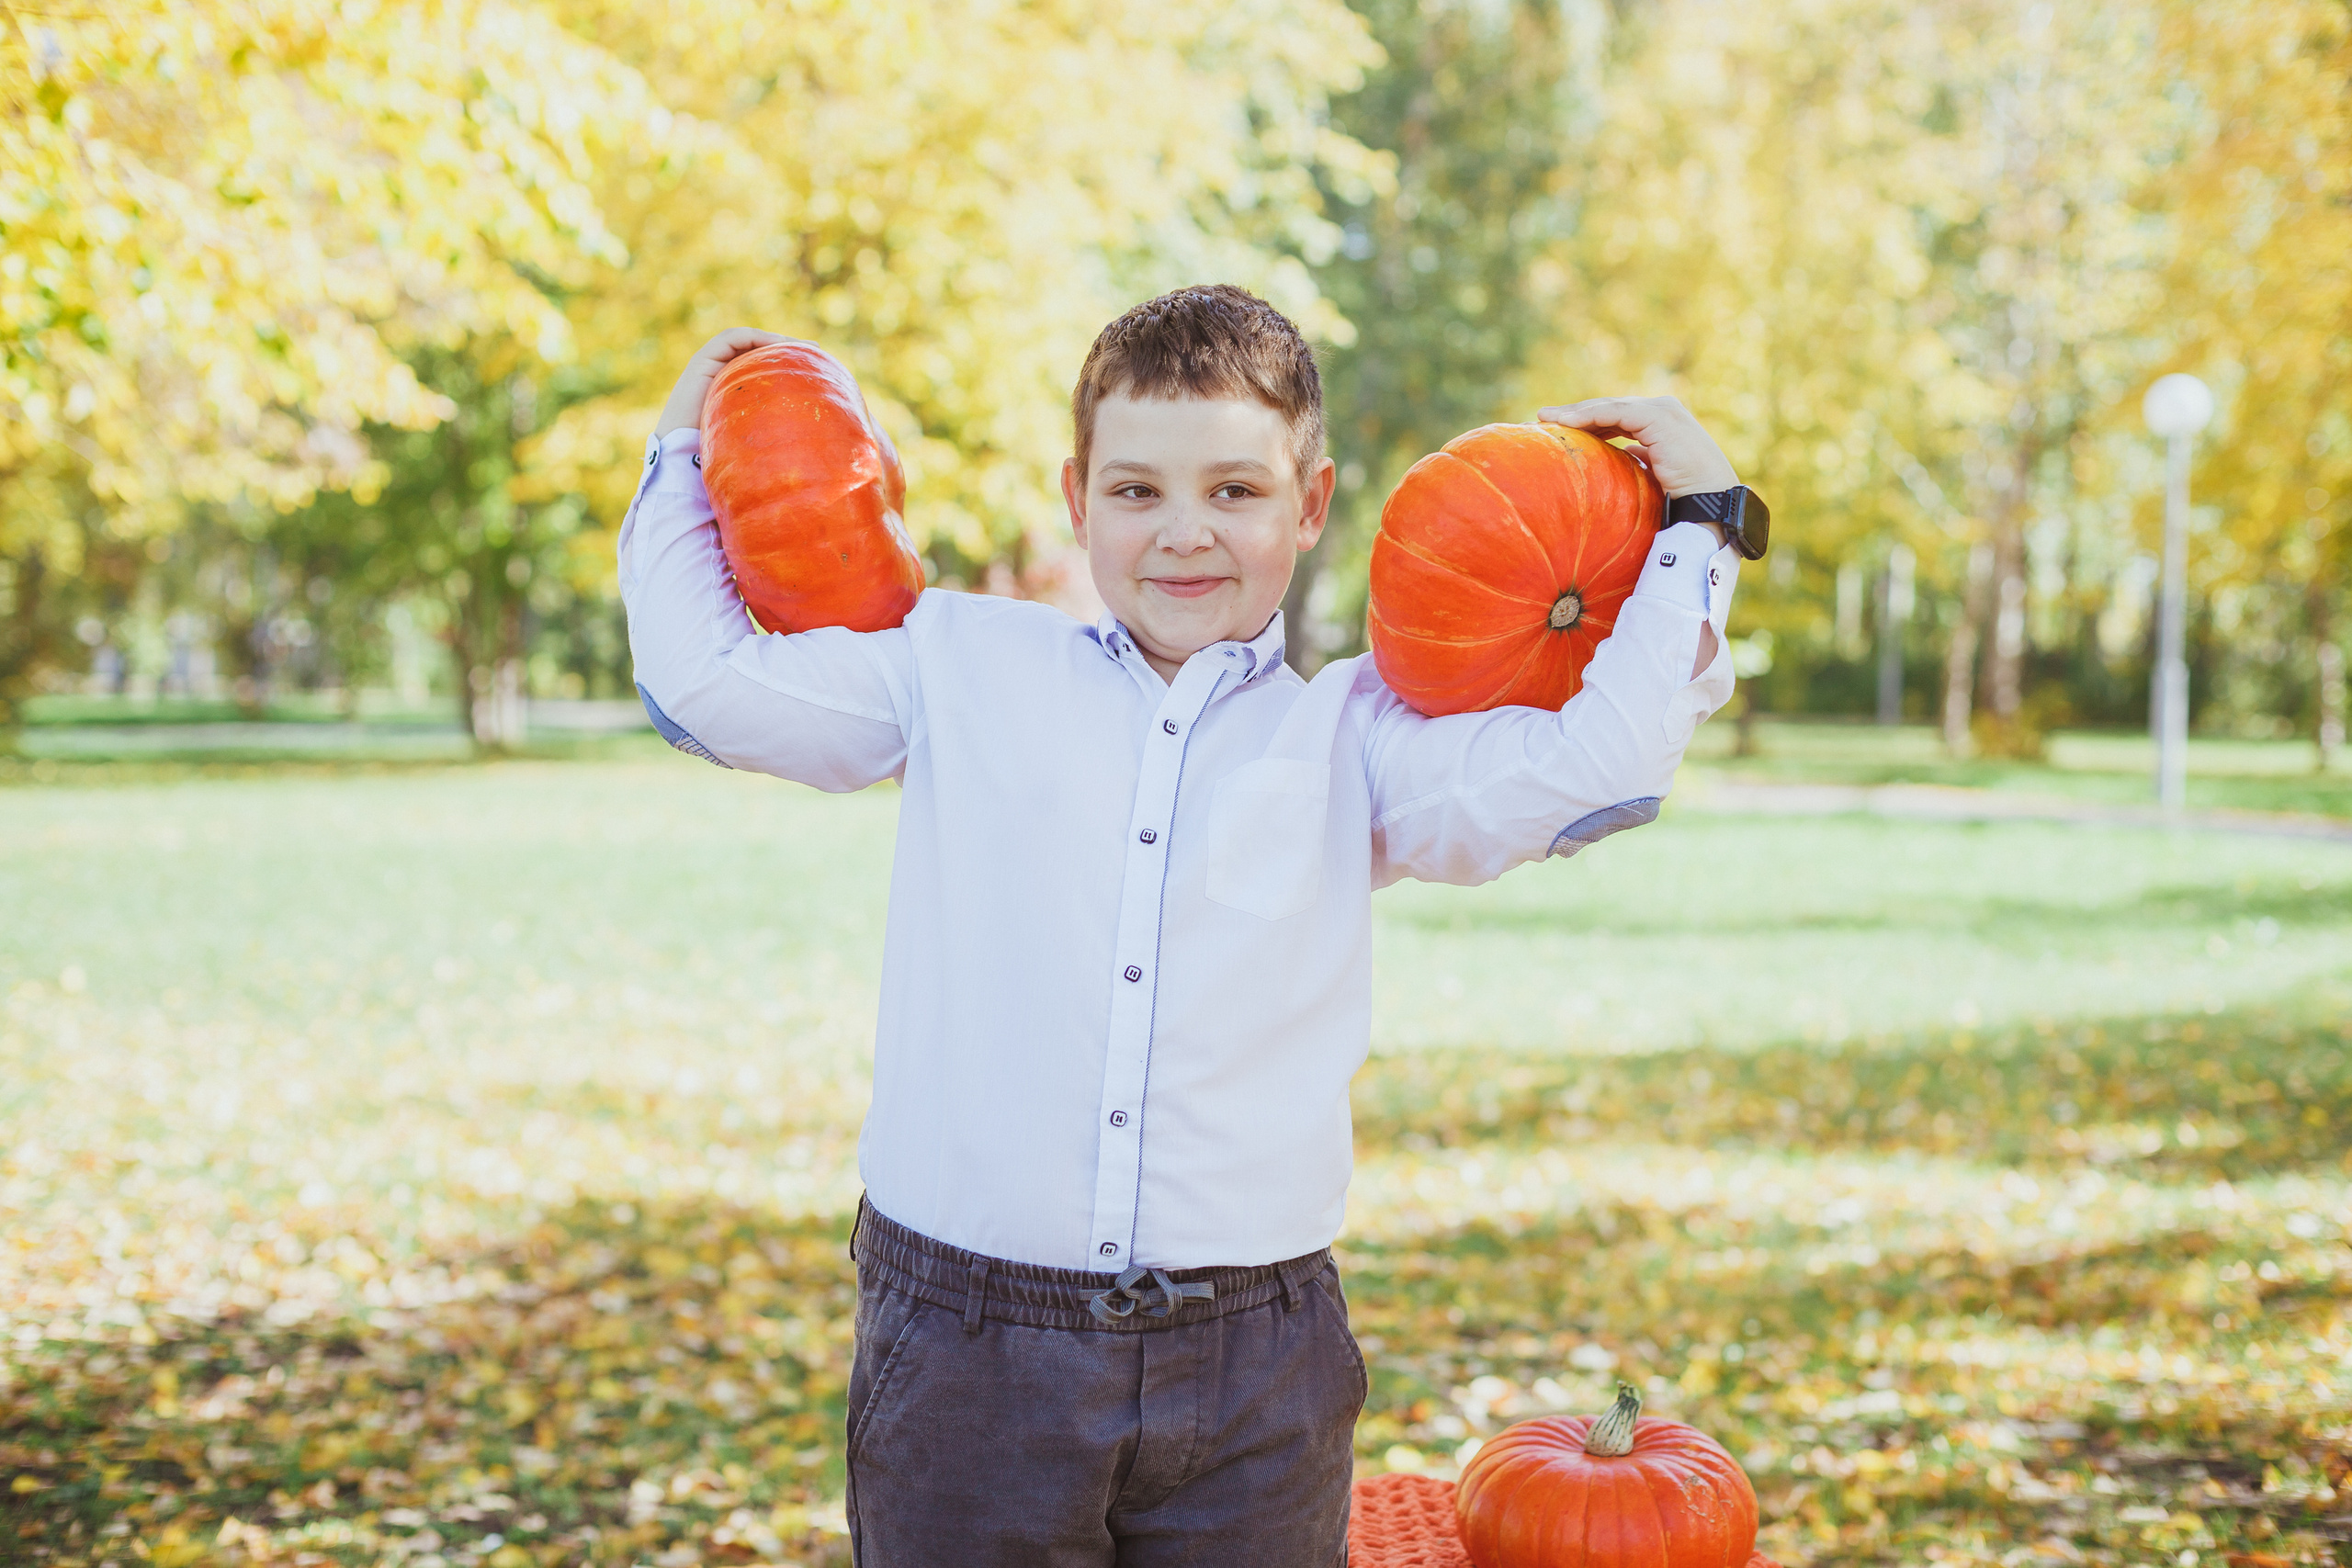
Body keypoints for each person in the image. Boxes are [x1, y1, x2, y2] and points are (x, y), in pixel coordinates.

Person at [618, 285, 1764, 1566]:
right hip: (967, 1348)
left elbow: (1597, 769)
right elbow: (703, 684)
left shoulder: (1356, 737)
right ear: (1076, 495)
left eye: (1235, 492)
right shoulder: (954, 667)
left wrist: (1704, 522)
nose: (1183, 535)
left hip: (1254, 1361)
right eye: (1137, 492)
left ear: (1312, 504)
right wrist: (683, 446)